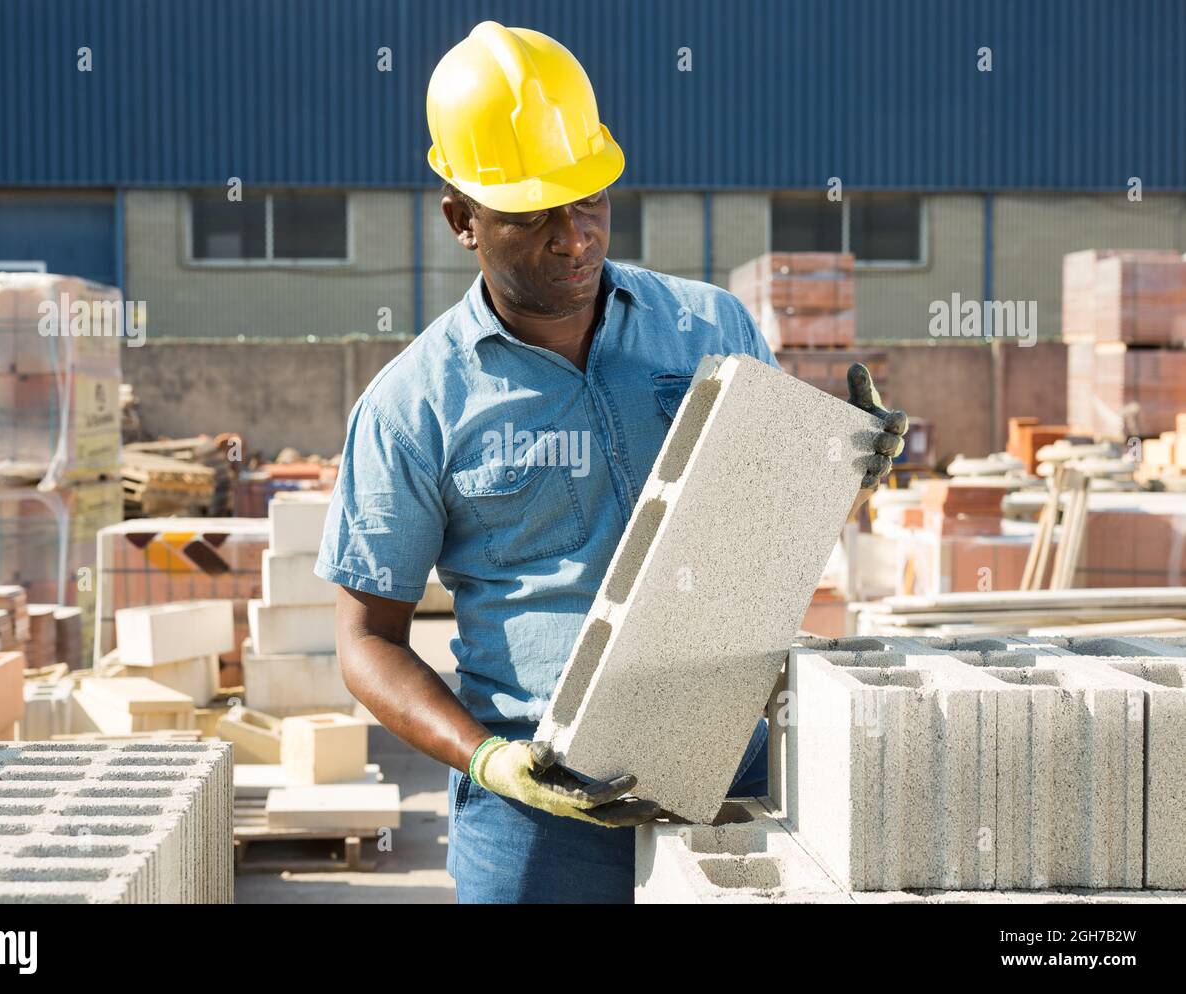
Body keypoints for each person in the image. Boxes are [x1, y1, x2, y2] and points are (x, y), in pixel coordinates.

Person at [316, 21, 907, 903]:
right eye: (532, 214)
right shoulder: (414, 406)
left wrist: (837, 471)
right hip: (537, 814)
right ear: (461, 220)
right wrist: (491, 759)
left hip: (736, 771)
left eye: (588, 199)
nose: (574, 237)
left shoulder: (713, 331)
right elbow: (366, 640)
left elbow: (763, 537)